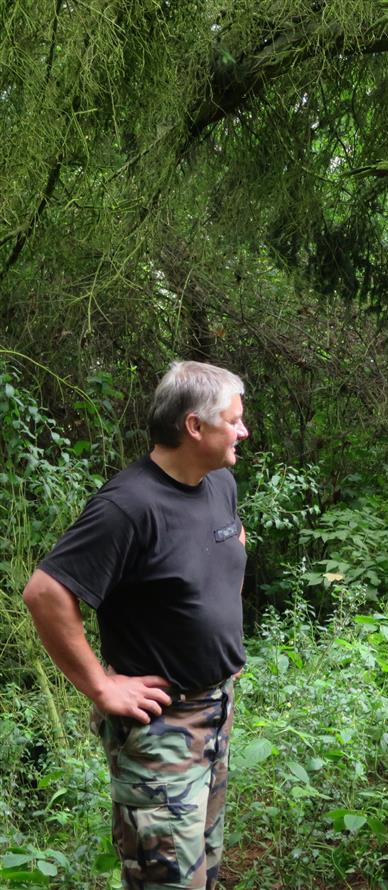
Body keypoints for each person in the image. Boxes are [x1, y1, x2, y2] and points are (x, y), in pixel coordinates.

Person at [22, 361, 250, 889]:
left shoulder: (219, 484)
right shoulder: (127, 507)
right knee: (166, 881)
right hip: (162, 729)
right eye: (234, 421)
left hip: (216, 714)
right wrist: (102, 687)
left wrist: (217, 637)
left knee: (204, 872)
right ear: (194, 426)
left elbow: (231, 544)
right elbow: (46, 593)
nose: (243, 431)